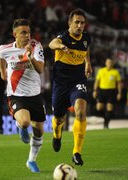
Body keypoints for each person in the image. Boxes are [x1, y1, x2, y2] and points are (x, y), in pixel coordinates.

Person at [0, 19, 45, 173]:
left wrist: (30, 57)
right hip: (16, 95)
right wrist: (3, 73)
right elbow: (1, 58)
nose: (27, 35)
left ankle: (31, 161)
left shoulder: (36, 46)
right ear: (15, 34)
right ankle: (20, 126)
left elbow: (40, 70)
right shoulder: (5, 49)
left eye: (28, 32)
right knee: (25, 122)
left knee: (38, 131)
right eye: (23, 32)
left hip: (35, 95)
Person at [49, 9, 92, 166]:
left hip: (78, 81)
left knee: (81, 111)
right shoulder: (63, 37)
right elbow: (51, 43)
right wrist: (61, 47)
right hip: (60, 84)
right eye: (76, 22)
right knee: (59, 118)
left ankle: (76, 152)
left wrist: (88, 62)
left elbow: (86, 49)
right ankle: (57, 133)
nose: (80, 25)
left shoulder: (86, 38)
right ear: (69, 23)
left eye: (82, 23)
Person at [93, 58, 122, 128]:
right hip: (102, 91)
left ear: (112, 64)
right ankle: (105, 119)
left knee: (109, 108)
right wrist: (95, 90)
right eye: (108, 62)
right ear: (106, 63)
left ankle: (106, 123)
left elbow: (119, 83)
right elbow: (97, 81)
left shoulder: (115, 72)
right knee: (99, 108)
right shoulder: (101, 71)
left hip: (111, 91)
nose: (110, 64)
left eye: (111, 62)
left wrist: (119, 93)